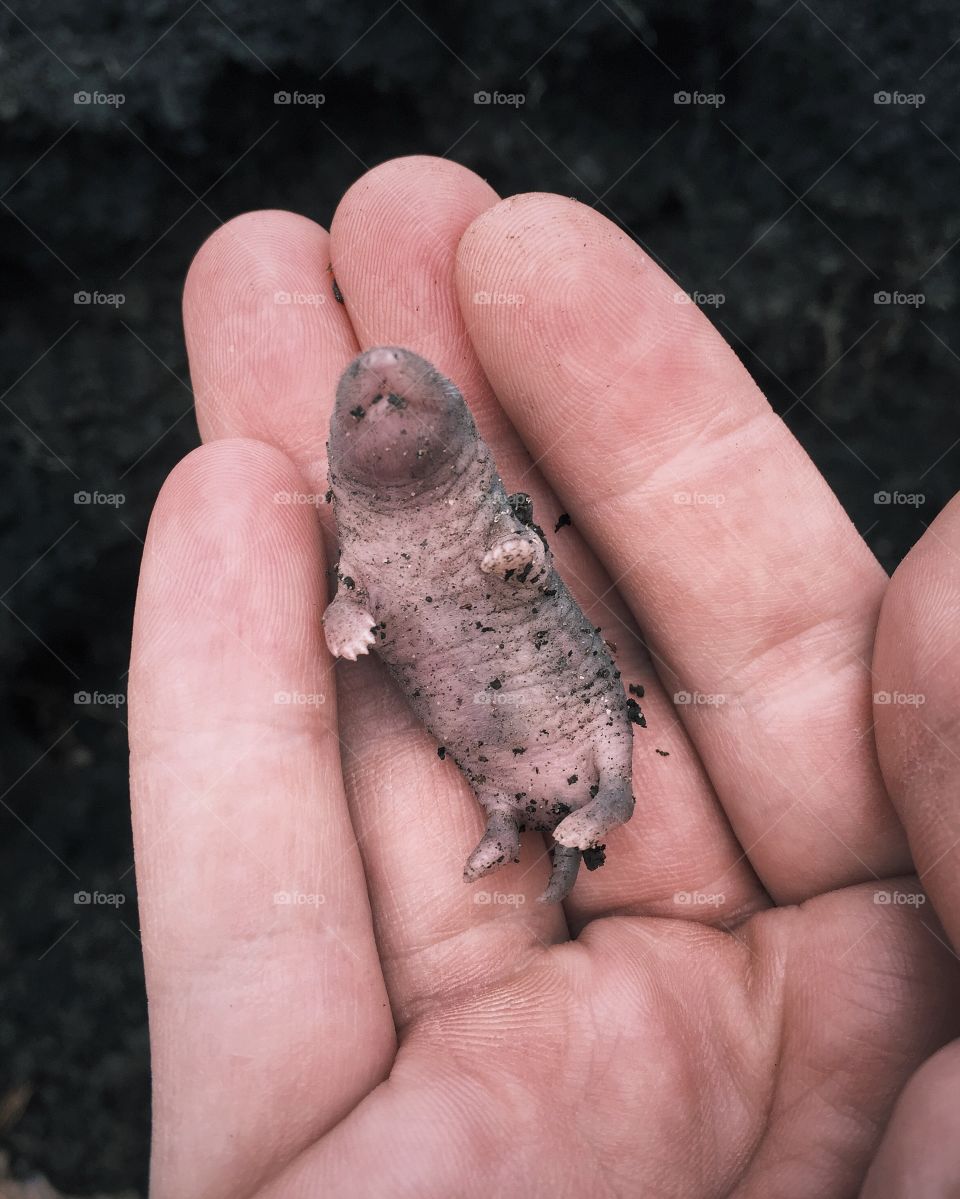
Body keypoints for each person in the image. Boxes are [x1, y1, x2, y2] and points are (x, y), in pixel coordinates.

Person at [128, 155, 960, 1197]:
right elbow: (355, 588)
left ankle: (598, 804)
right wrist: (344, 610)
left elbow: (521, 547)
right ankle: (505, 821)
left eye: (397, 394)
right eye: (361, 407)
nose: (379, 397)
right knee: (493, 780)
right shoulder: (365, 530)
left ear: (455, 431)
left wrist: (518, 559)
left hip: (558, 688)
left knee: (604, 738)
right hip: (477, 719)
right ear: (343, 461)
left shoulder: (483, 501)